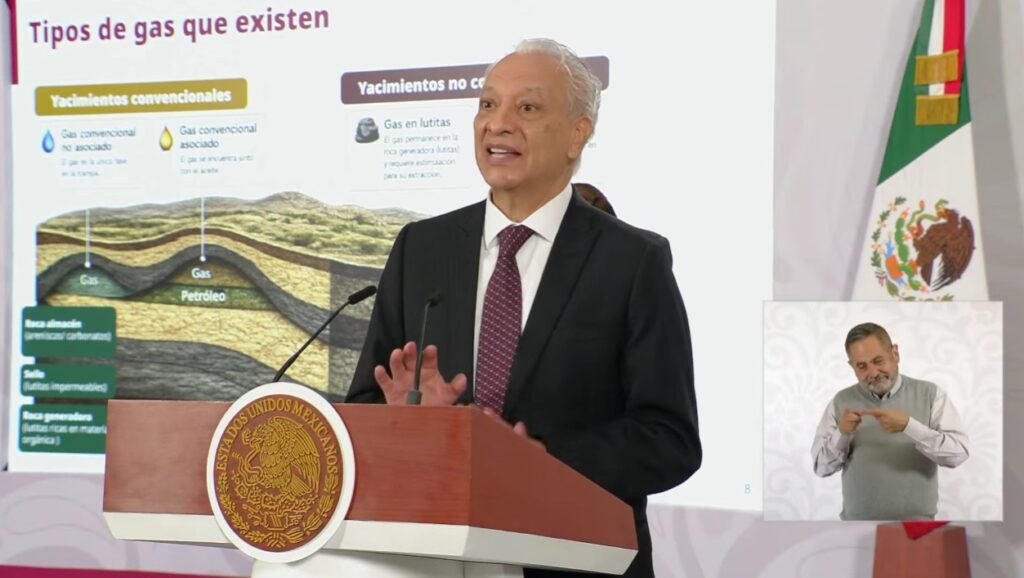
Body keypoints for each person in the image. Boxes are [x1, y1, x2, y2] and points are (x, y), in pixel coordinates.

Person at [346, 38, 701, 577]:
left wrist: (539, 459)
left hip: (574, 561)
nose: (498, 123)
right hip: (432, 559)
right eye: (487, 104)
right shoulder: (421, 247)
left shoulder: (633, 261)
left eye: (527, 107)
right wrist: (411, 425)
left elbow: (669, 439)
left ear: (578, 134)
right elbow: (367, 403)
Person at [811, 322, 970, 520]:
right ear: (852, 366)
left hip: (917, 528)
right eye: (862, 366)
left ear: (895, 353)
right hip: (856, 526)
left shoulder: (931, 395)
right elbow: (821, 468)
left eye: (878, 360)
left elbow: (958, 454)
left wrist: (909, 426)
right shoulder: (840, 401)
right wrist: (842, 434)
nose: (873, 373)